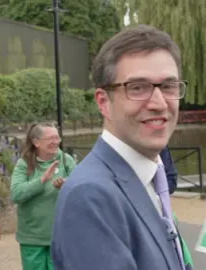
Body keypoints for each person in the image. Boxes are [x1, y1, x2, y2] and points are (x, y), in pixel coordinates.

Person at [51, 24, 192, 270]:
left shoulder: (149, 177)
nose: (159, 103)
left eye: (168, 86)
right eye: (138, 87)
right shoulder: (90, 197)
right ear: (104, 102)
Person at [10, 122, 76, 270]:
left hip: (61, 236)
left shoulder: (67, 161)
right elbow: (15, 194)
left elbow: (80, 191)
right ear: (36, 142)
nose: (55, 142)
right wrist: (42, 180)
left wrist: (67, 185)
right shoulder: (24, 163)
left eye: (57, 138)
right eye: (50, 138)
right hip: (32, 238)